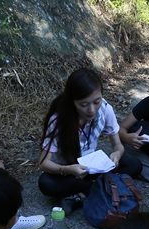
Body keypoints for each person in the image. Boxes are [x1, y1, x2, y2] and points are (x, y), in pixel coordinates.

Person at [38, 68, 142, 215]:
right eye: (83, 104)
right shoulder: (58, 120)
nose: (91, 110)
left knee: (134, 165)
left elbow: (118, 145)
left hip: (92, 167)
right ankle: (102, 187)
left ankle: (82, 195)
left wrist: (117, 154)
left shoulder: (105, 110)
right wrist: (67, 169)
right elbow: (43, 163)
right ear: (72, 101)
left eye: (96, 101)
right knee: (45, 183)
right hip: (68, 170)